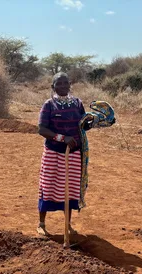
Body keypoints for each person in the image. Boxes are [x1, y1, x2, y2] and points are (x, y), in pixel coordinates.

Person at [37, 72, 93, 237]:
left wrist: (92, 121)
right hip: (53, 153)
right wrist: (62, 138)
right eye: (58, 83)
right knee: (48, 187)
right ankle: (41, 224)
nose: (62, 86)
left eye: (65, 83)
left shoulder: (77, 103)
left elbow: (83, 126)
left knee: (70, 189)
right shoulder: (49, 105)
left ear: (70, 84)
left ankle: (67, 225)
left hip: (74, 154)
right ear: (52, 87)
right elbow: (42, 129)